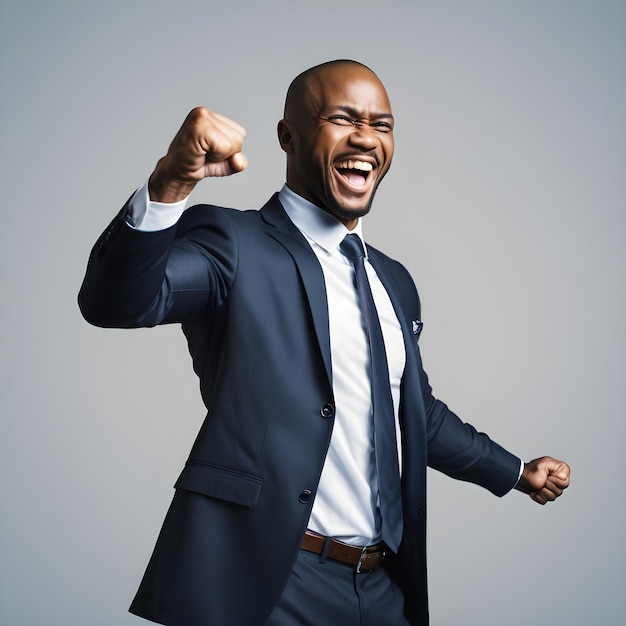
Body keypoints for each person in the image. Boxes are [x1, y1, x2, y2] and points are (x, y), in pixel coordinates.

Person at [78, 60, 570, 626]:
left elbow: (415, 414)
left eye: (382, 125)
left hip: (382, 585)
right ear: (289, 134)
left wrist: (513, 472)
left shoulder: (394, 280)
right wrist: (171, 180)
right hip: (268, 583)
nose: (366, 137)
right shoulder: (232, 243)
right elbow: (115, 304)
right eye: (342, 119)